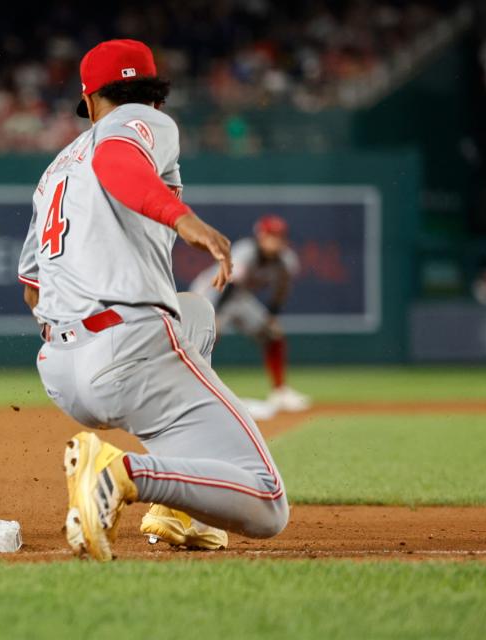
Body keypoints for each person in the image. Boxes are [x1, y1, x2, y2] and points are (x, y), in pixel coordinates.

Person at [18, 39, 288, 561]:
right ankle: (122, 472)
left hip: (60, 367)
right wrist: (181, 218)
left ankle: (179, 512)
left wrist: (78, 336)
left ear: (89, 98)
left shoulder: (55, 169)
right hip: (127, 348)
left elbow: (31, 287)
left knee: (197, 312)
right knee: (267, 499)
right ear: (153, 96)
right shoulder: (142, 121)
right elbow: (118, 161)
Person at [190, 214, 310, 413]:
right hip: (212, 291)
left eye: (279, 236)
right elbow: (229, 283)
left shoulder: (286, 260)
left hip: (239, 297)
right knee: (204, 340)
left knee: (273, 334)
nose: (275, 240)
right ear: (261, 236)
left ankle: (280, 392)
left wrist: (272, 316)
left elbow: (281, 291)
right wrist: (215, 317)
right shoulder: (246, 251)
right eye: (270, 235)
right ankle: (189, 391)